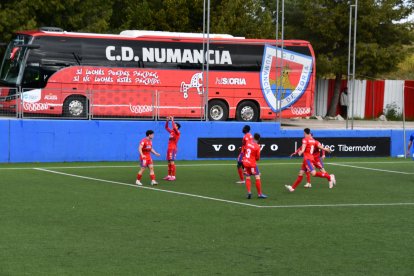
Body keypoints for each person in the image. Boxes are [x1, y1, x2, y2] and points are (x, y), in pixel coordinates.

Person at [285, 128, 336, 192]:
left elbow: (302, 149)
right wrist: (326, 149)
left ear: (305, 133)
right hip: (309, 158)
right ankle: (292, 188)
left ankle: (329, 177)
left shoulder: (305, 139)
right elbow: (321, 147)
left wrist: (300, 152)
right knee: (301, 173)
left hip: (308, 159)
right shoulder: (314, 141)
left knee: (314, 173)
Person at [242, 133, 267, 199]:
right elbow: (258, 158)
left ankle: (249, 192)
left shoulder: (248, 143)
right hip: (252, 164)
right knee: (257, 177)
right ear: (259, 139)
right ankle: (259, 194)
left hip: (245, 162)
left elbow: (244, 150)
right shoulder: (257, 146)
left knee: (247, 177)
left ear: (253, 137)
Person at [163, 116, 181, 181]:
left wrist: (172, 120)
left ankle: (173, 176)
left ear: (177, 127)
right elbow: (166, 127)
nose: (174, 126)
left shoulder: (178, 132)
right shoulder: (172, 132)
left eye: (175, 125)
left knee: (172, 162)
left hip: (173, 148)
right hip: (169, 148)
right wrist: (167, 121)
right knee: (168, 162)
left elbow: (173, 127)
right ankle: (169, 175)